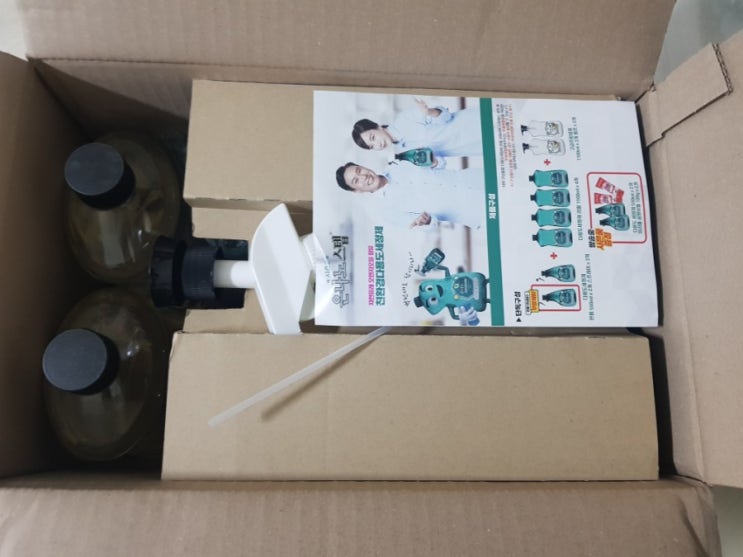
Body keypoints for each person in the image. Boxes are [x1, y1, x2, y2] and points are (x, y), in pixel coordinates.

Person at [335, 161, 485, 229]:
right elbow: (426, 226)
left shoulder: (397, 165)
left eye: (359, 170)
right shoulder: (386, 211)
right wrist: (425, 221)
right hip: (475, 211)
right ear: (357, 190)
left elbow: (438, 165)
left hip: (476, 178)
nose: (363, 176)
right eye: (356, 181)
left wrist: (435, 161)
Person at [351, 98, 482, 167]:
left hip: (473, 123)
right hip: (472, 147)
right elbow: (440, 163)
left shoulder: (405, 118)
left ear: (377, 126)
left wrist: (430, 112)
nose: (377, 145)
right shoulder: (401, 156)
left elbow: (446, 117)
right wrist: (433, 164)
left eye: (373, 138)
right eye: (372, 146)